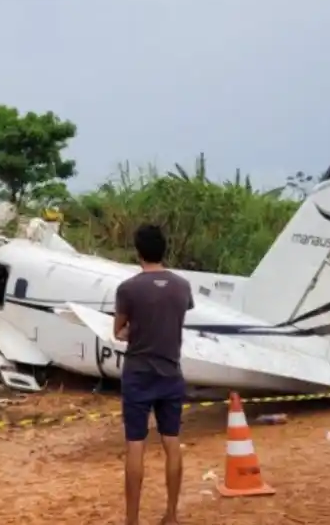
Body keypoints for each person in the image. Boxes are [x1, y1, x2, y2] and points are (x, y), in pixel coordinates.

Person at [114, 224, 194, 525]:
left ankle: (132, 520)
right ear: (164, 250)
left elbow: (119, 331)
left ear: (139, 252)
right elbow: (176, 319)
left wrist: (136, 330)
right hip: (171, 371)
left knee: (136, 444)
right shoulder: (182, 286)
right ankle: (171, 515)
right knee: (172, 442)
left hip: (138, 373)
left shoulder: (128, 288)